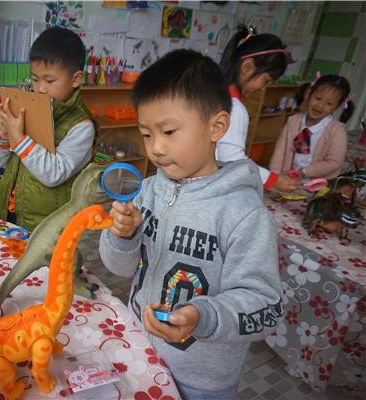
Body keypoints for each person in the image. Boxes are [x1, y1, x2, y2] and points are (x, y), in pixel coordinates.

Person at [99, 50, 282, 400]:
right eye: (147, 134)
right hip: (140, 352)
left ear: (217, 127)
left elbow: (266, 307)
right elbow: (119, 268)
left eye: (168, 131)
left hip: (202, 381)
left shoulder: (244, 214)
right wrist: (124, 236)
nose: (156, 148)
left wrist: (204, 317)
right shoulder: (147, 191)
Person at [0, 27, 96, 231]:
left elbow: (54, 174)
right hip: (9, 212)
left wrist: (19, 139)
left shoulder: (82, 127)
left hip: (46, 226)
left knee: (39, 255)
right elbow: (0, 160)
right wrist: (3, 133)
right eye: (35, 79)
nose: (40, 88)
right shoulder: (30, 107)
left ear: (75, 79)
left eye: (49, 80)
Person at [217, 25, 299, 192]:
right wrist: (272, 179)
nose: (263, 88)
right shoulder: (234, 108)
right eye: (266, 80)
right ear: (247, 67)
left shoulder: (209, 92)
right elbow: (232, 160)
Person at [270, 74, 352, 180]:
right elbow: (279, 151)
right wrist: (275, 175)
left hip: (316, 183)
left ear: (336, 107)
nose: (320, 106)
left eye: (329, 103)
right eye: (318, 98)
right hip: (287, 177)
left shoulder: (337, 130)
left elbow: (334, 162)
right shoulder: (293, 120)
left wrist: (305, 172)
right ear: (309, 94)